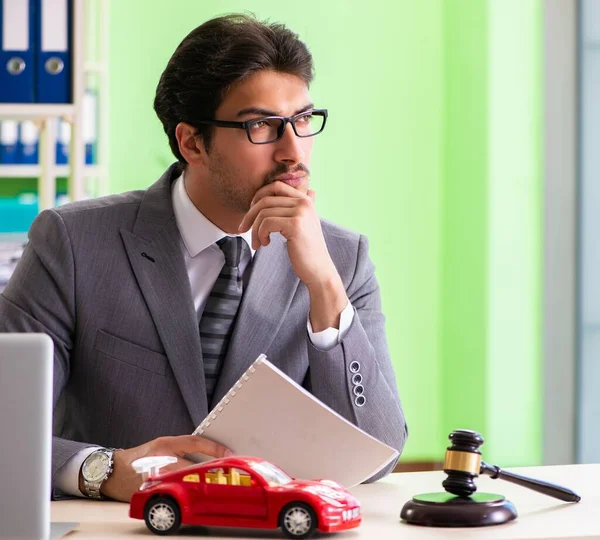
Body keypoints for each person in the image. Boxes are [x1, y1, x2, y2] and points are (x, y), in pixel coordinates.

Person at [0, 14, 407, 502]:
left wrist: (324, 287)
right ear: (192, 142)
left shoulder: (342, 259)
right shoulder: (73, 243)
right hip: (122, 528)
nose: (293, 151)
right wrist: (103, 470)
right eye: (262, 125)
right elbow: (8, 427)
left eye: (302, 120)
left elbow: (381, 452)